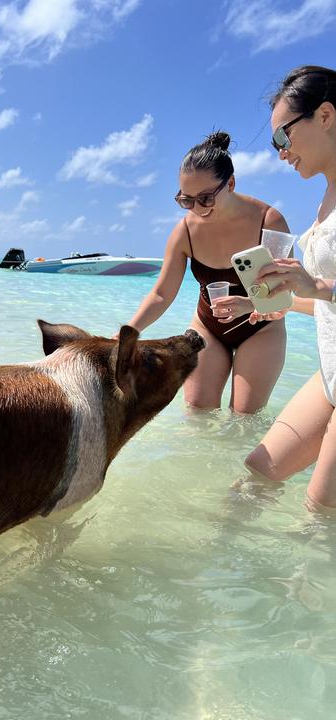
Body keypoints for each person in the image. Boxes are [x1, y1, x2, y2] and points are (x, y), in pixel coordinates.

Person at [120, 132, 291, 413]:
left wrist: (249, 304)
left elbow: (284, 295)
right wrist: (130, 332)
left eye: (206, 198)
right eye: (187, 200)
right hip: (208, 327)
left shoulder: (268, 220)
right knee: (197, 414)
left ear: (231, 183)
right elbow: (162, 293)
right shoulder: (185, 231)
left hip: (262, 328)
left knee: (245, 417)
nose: (197, 209)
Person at [243, 65, 336, 509]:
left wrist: (318, 284)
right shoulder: (326, 196)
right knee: (259, 473)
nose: (281, 152)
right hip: (330, 374)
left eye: (283, 136)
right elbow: (327, 304)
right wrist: (277, 304)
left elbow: (326, 289)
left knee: (319, 514)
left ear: (325, 116)